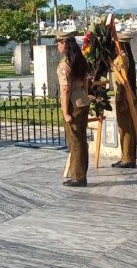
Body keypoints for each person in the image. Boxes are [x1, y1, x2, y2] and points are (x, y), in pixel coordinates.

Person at [56, 30, 90, 187]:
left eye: (59, 43)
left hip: (73, 105)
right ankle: (82, 173)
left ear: (65, 44)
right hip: (83, 102)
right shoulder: (80, 60)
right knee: (82, 140)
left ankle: (78, 177)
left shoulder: (65, 64)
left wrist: (66, 112)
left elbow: (65, 90)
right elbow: (86, 82)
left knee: (75, 141)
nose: (57, 46)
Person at [112, 33, 137, 169]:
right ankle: (126, 156)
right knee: (126, 127)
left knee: (125, 128)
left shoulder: (121, 59)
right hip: (126, 97)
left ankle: (127, 158)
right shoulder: (126, 58)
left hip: (124, 97)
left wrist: (121, 100)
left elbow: (122, 82)